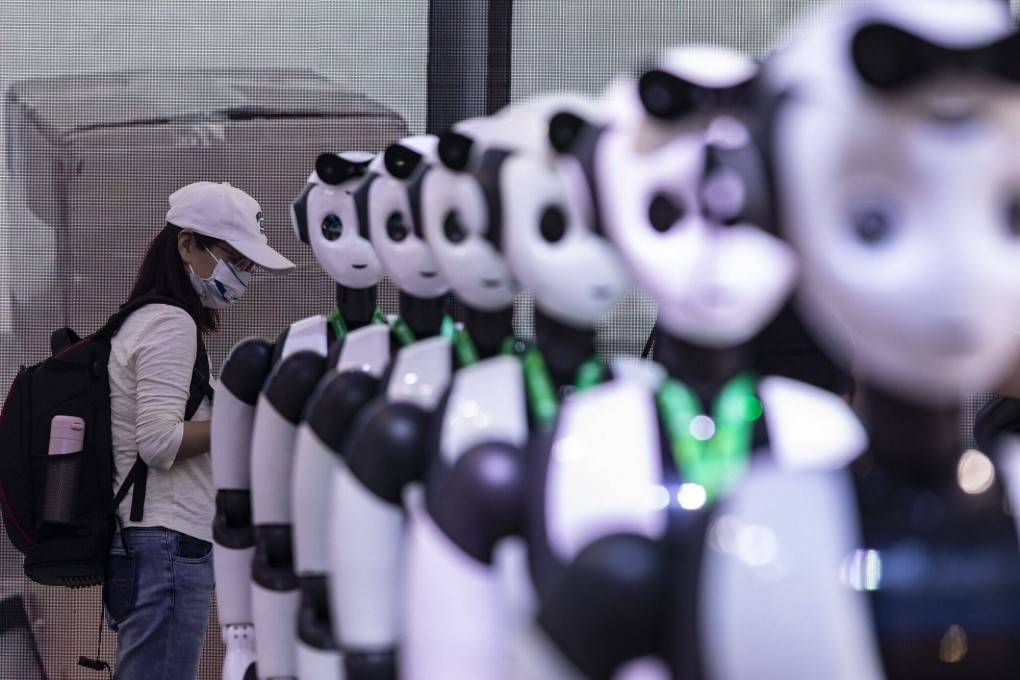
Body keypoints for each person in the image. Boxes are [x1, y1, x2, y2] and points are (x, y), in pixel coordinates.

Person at [100, 181, 295, 680]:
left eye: (247, 266)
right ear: (187, 244)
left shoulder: (149, 317)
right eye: (235, 258)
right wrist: (236, 417)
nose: (242, 275)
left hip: (154, 544)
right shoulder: (171, 323)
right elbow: (160, 442)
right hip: (166, 543)